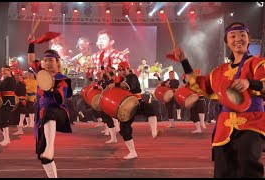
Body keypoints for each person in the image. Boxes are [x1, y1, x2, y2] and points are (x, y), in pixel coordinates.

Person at [172, 22, 265, 178]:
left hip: (252, 122)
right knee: (223, 171)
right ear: (227, 43)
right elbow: (199, 85)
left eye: (243, 35)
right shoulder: (219, 72)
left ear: (249, 39)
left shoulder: (258, 64)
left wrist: (249, 82)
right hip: (224, 126)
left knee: (247, 165)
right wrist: (184, 61)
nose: (238, 39)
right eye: (233, 36)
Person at [28, 33, 73, 178]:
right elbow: (30, 60)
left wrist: (51, 88)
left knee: (50, 111)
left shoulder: (62, 79)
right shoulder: (40, 74)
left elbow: (60, 99)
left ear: (58, 63)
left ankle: (50, 147)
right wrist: (31, 43)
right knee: (43, 156)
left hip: (58, 112)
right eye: (45, 60)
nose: (47, 63)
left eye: (51, 60)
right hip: (41, 117)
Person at [108, 61, 162, 159]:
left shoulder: (132, 77)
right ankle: (132, 152)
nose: (123, 72)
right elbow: (116, 82)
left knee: (149, 108)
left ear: (128, 68)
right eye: (120, 70)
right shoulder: (122, 78)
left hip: (136, 102)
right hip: (127, 107)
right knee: (124, 129)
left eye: (124, 69)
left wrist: (115, 85)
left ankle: (154, 132)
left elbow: (127, 85)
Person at [0, 65, 16, 146]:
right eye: (2, 71)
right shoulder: (9, 79)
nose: (3, 72)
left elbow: (0, 88)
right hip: (6, 101)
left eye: (5, 70)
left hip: (8, 101)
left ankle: (7, 139)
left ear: (9, 71)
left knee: (3, 120)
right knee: (2, 120)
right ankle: (6, 138)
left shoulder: (9, 79)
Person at [13, 69, 27, 135]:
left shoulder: (22, 83)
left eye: (18, 75)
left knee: (21, 111)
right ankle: (20, 130)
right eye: (15, 75)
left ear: (21, 76)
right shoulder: (17, 83)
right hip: (16, 100)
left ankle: (21, 123)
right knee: (16, 115)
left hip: (21, 100)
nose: (16, 76)